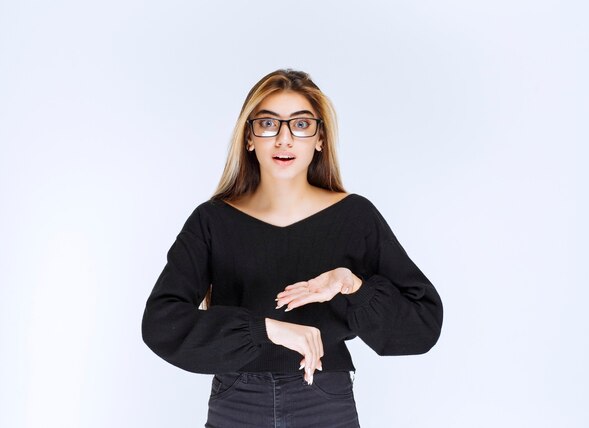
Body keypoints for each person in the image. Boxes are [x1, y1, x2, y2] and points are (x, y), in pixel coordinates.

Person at [141, 69, 444, 427]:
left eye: (300, 125)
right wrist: (267, 329)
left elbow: (422, 325)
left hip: (324, 401)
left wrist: (352, 285)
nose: (284, 139)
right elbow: (162, 323)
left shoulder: (354, 217)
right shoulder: (212, 221)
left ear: (319, 139)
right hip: (237, 401)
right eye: (269, 124)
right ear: (249, 138)